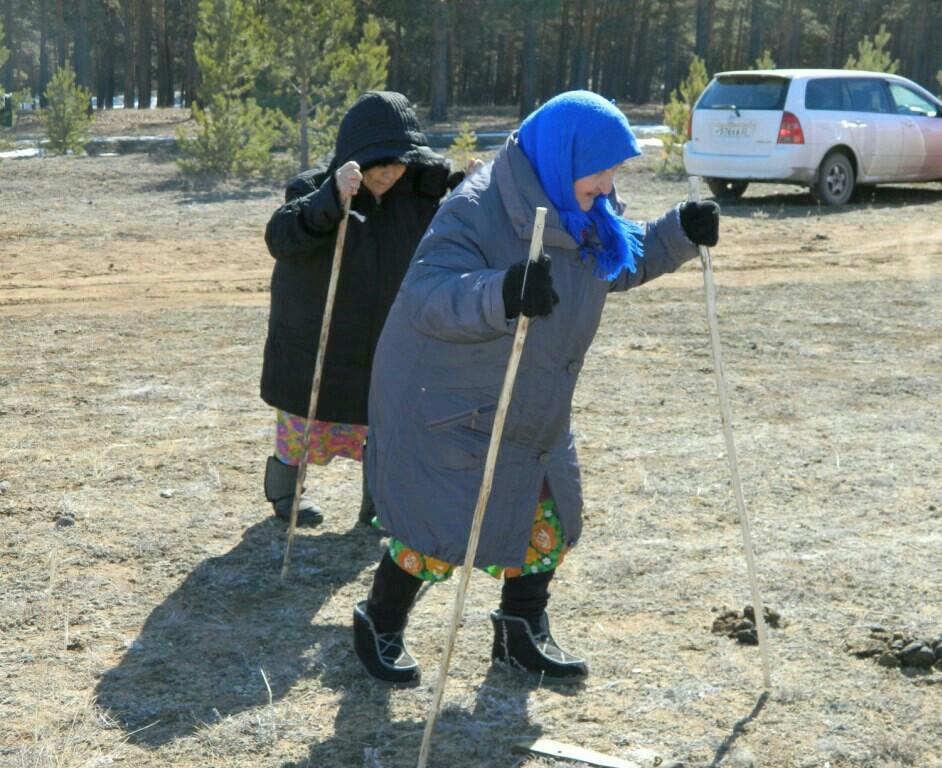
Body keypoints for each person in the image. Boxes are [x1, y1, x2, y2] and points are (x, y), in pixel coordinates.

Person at [350, 90, 720, 684]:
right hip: (454, 397)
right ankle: (380, 621)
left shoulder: (586, 207)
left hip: (535, 397)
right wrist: (502, 292)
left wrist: (679, 232)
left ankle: (520, 628)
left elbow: (618, 263)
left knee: (548, 516)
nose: (606, 185)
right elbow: (426, 297)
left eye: (612, 173)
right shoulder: (478, 206)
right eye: (599, 171)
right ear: (563, 156)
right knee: (436, 531)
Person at [260, 91, 469, 527]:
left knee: (384, 427)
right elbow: (280, 238)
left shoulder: (421, 196)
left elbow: (461, 229)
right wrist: (330, 198)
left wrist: (472, 190)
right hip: (318, 339)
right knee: (302, 425)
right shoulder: (314, 187)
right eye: (379, 163)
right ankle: (285, 497)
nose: (390, 173)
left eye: (399, 163)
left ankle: (377, 505)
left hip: (384, 341)